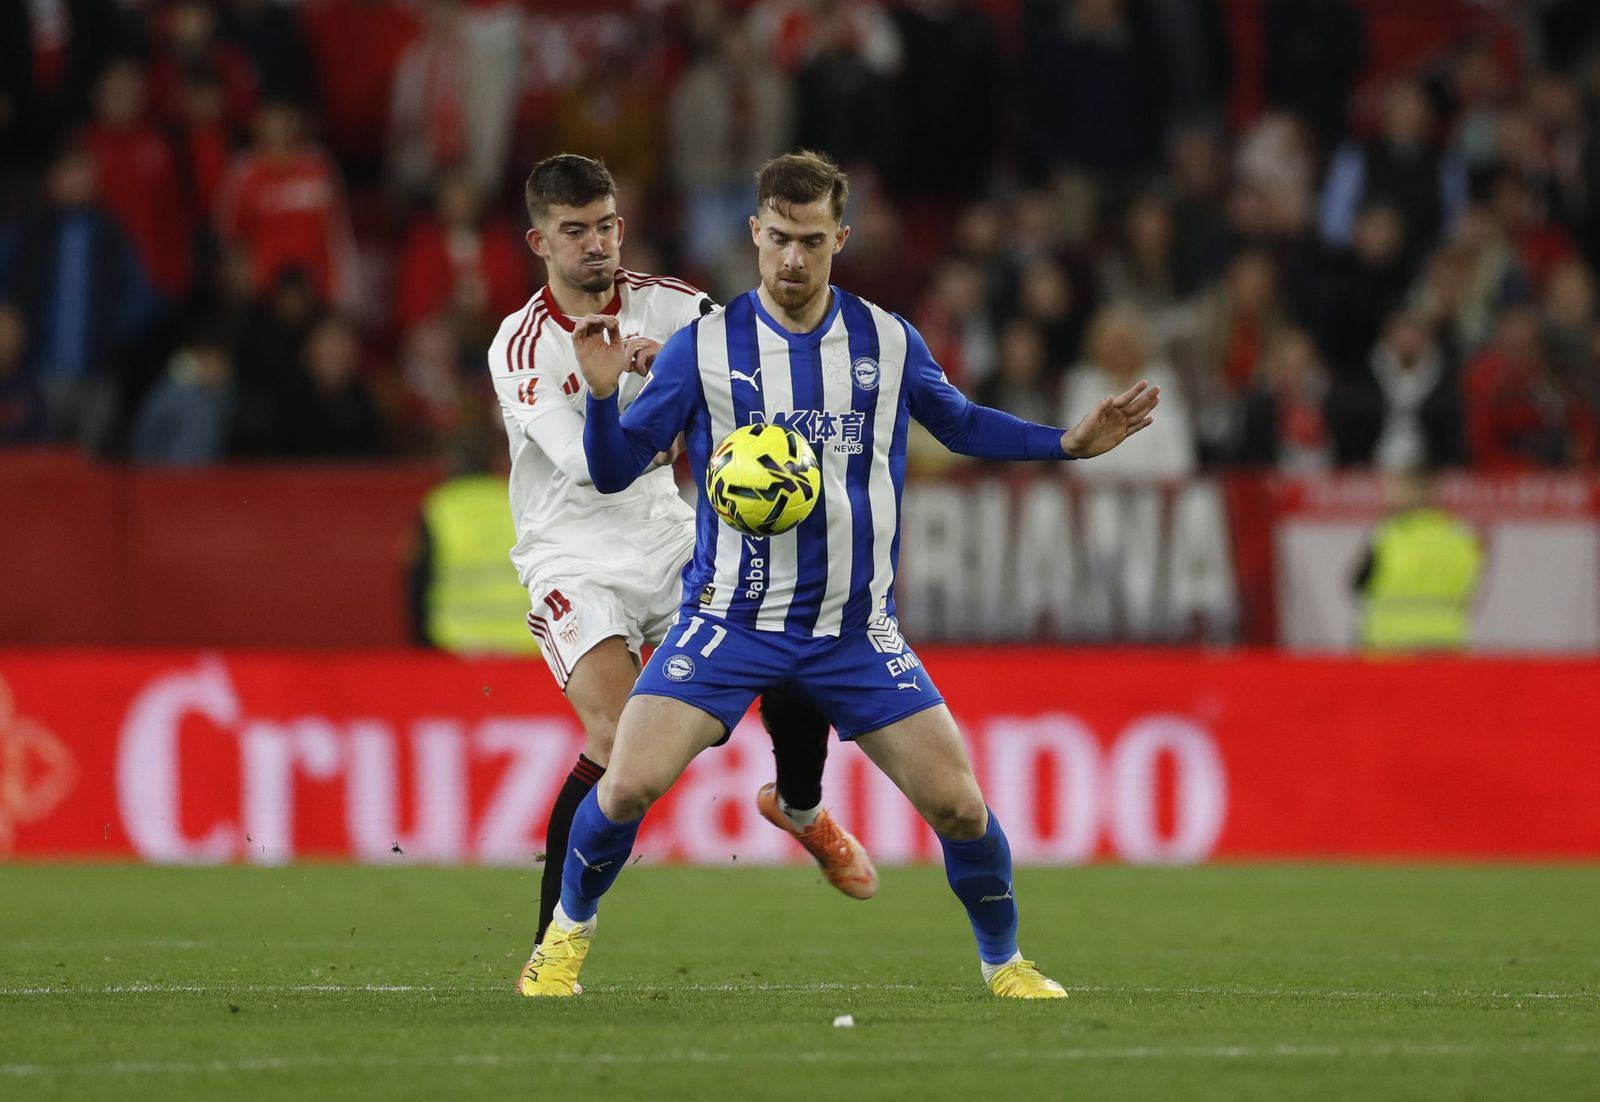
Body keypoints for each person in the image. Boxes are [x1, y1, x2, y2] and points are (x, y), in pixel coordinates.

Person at [523, 150, 1158, 999]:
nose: (792, 260)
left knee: (960, 807)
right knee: (628, 782)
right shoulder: (704, 349)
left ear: (840, 240)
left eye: (812, 242)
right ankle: (562, 941)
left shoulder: (885, 341)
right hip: (728, 623)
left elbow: (960, 424)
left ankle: (1007, 967)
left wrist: (1065, 445)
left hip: (855, 632)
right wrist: (603, 399)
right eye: (779, 238)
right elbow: (613, 469)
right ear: (753, 234)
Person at [487, 155, 876, 971]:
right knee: (617, 735)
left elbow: (757, 380)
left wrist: (678, 373)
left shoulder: (678, 307)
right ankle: (551, 947)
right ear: (539, 242)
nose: (594, 245)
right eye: (572, 231)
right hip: (575, 551)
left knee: (792, 646)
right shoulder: (520, 347)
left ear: (621, 226)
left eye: (604, 225)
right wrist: (626, 383)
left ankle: (800, 807)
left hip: (671, 531)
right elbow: (594, 467)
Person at [1352, 469, 1483, 653]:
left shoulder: (1388, 536)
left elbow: (1357, 584)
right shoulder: (1459, 537)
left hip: (1390, 646)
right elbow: (1470, 583)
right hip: (1445, 644)